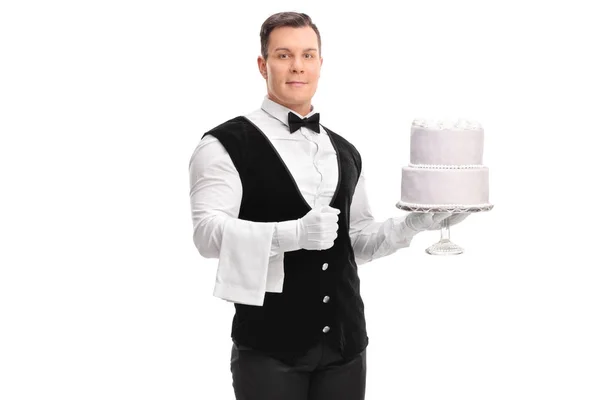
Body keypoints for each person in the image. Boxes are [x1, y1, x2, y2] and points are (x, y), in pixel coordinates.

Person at [188, 11, 468, 400]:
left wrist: (412, 225)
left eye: (308, 55)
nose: (297, 66)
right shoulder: (222, 144)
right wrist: (293, 233)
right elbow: (206, 236)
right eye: (283, 55)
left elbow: (356, 242)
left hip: (346, 345)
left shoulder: (345, 150)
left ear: (321, 63)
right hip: (269, 349)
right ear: (262, 64)